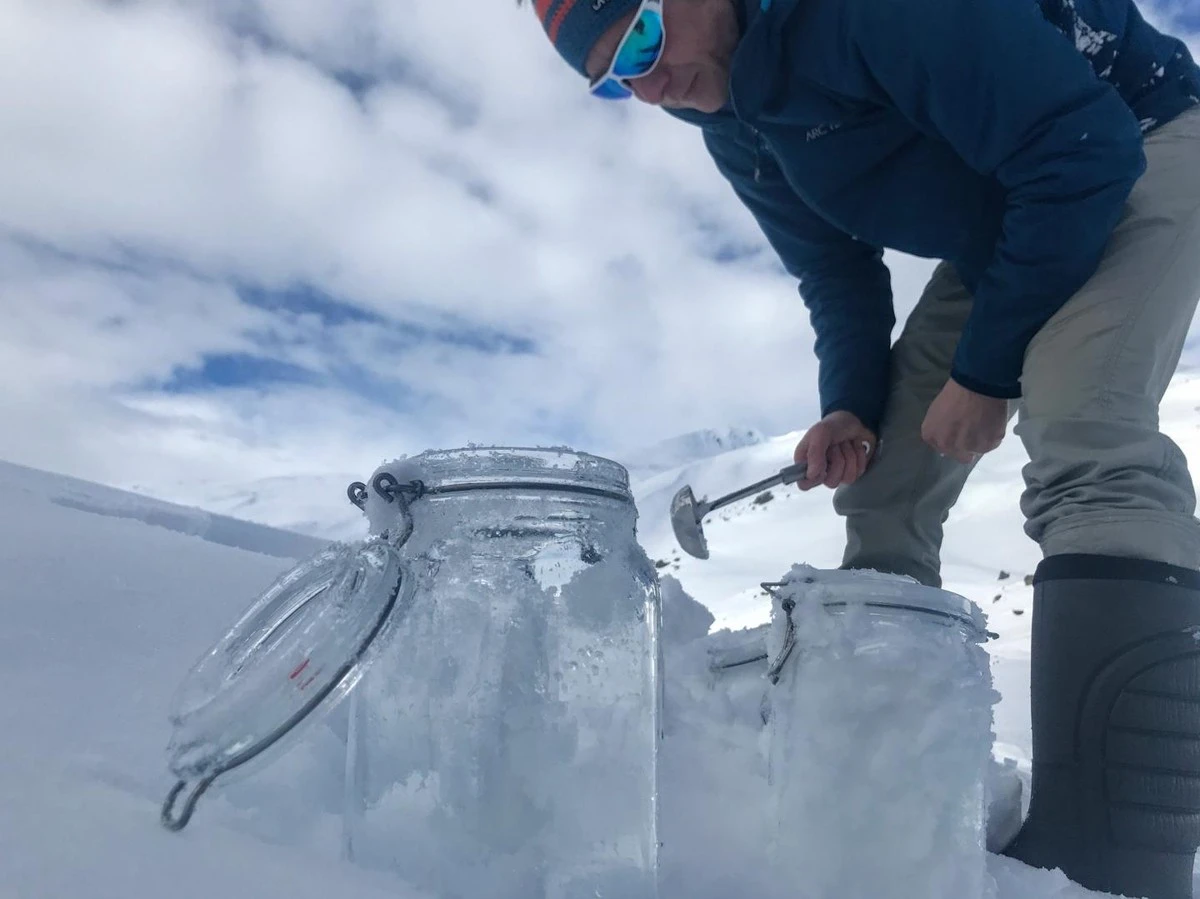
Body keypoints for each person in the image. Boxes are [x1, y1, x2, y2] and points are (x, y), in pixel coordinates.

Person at [525, 0, 1200, 895]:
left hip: (1131, 140)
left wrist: (989, 373)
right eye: (612, 80)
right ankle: (895, 774)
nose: (648, 88)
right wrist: (848, 407)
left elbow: (1082, 150)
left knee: (1084, 425)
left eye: (643, 40)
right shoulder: (730, 122)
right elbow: (835, 270)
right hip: (1013, 214)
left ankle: (1120, 848)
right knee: (884, 486)